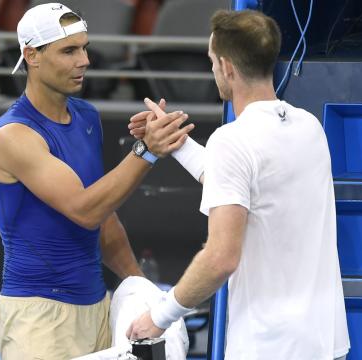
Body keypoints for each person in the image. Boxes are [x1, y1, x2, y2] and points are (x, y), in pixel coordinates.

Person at [127, 9, 350, 360]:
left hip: (270, 347)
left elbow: (220, 258)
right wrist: (180, 144)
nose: (214, 69)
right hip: (323, 342)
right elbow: (237, 181)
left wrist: (159, 317)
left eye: (213, 61)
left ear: (227, 67)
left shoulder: (232, 141)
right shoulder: (308, 127)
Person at [0, 3, 194, 360]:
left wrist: (141, 289)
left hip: (99, 309)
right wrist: (145, 151)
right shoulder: (12, 136)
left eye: (84, 48)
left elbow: (103, 216)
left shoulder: (86, 116)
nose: (84, 60)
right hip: (37, 320)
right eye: (69, 51)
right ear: (31, 55)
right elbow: (84, 210)